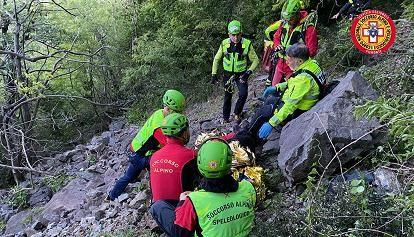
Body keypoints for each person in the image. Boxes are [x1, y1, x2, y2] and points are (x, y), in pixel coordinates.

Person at [150, 139, 256, 237]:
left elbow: (180, 231)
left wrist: (182, 202)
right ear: (229, 164)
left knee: (158, 206)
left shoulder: (194, 201)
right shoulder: (248, 188)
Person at [233, 43, 326, 150]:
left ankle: (245, 140)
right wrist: (277, 87)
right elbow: (294, 83)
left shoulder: (302, 79)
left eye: (289, 59)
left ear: (299, 61)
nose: (287, 61)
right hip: (302, 101)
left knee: (262, 113)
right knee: (269, 101)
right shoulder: (311, 64)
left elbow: (290, 106)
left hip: (298, 111)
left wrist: (271, 123)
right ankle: (255, 133)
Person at [107, 90, 186, 201]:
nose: (179, 115)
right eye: (177, 112)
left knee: (129, 176)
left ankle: (111, 196)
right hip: (140, 154)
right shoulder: (159, 127)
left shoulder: (160, 113)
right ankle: (156, 199)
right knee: (156, 170)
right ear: (169, 109)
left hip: (137, 149)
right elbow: (170, 147)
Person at [211, 20, 259, 123]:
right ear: (229, 34)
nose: (236, 38)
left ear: (241, 33)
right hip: (228, 74)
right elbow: (216, 59)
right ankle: (225, 118)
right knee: (228, 96)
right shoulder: (224, 44)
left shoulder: (247, 44)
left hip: (242, 74)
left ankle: (237, 113)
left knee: (243, 94)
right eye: (233, 35)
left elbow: (255, 60)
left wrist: (249, 72)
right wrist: (214, 74)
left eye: (238, 35)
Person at [149, 113, 199, 206]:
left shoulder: (154, 156)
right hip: (181, 211)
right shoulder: (190, 155)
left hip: (159, 211)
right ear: (184, 133)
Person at [270, 0, 318, 86]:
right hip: (281, 63)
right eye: (286, 19)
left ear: (297, 14)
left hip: (295, 67)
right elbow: (276, 36)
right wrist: (277, 45)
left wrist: (297, 58)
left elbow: (311, 51)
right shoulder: (285, 23)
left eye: (291, 19)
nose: (288, 22)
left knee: (291, 89)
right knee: (274, 88)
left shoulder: (308, 28)